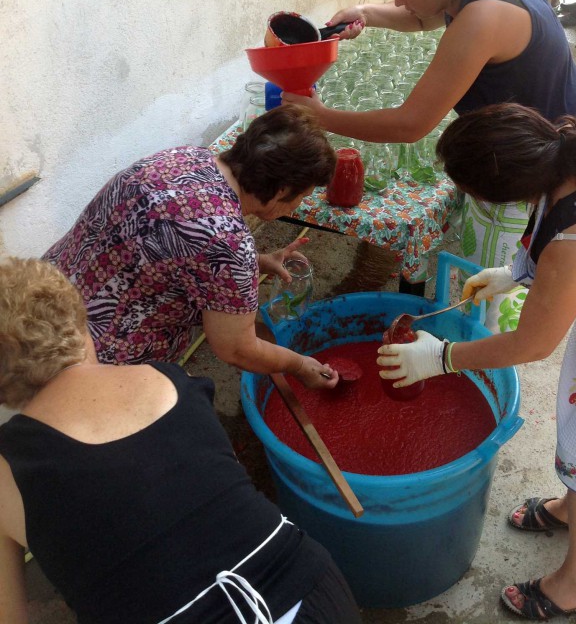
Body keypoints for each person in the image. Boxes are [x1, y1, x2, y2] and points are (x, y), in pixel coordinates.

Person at [377, 102, 576, 620]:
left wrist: (444, 357)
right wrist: (518, 269)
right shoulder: (572, 139)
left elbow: (532, 344)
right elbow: (552, 217)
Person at [284, 0, 576, 331]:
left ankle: (479, 359)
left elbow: (409, 125)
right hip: (539, 139)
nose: (397, 0)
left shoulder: (483, 18)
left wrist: (323, 117)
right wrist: (364, 12)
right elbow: (424, 17)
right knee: (492, 275)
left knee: (498, 288)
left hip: (543, 163)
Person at [0, 258, 361, 623]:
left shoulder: (6, 470)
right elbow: (215, 495)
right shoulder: (171, 379)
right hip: (310, 589)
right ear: (81, 327)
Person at [44, 105, 339, 390]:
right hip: (92, 363)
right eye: (303, 195)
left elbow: (167, 252)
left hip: (37, 310)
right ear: (283, 190)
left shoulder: (186, 157)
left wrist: (257, 262)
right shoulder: (230, 244)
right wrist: (299, 365)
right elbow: (237, 348)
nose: (299, 204)